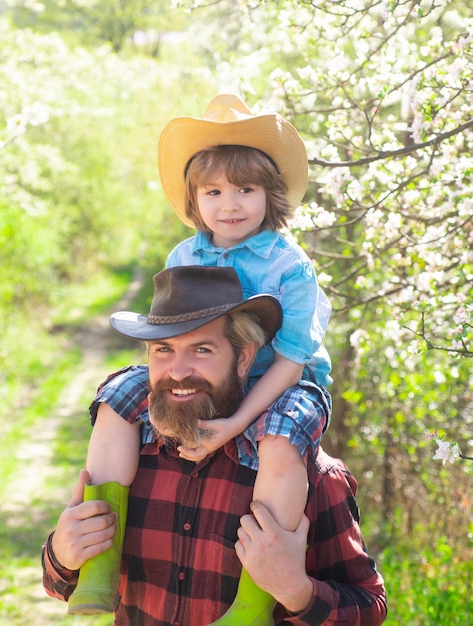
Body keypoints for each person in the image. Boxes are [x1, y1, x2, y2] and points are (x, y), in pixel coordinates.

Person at [69, 93, 333, 615]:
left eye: (245, 189)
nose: (229, 205)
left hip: (280, 380)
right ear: (195, 199)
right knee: (117, 395)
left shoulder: (290, 267)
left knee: (281, 439)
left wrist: (235, 422)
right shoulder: (184, 255)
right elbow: (169, 340)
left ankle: (254, 603)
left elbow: (291, 359)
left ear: (269, 194)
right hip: (209, 372)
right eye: (213, 191)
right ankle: (98, 563)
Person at [42, 265, 387, 625]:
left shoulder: (307, 475)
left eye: (201, 350)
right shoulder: (127, 455)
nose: (177, 371)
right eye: (163, 349)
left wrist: (296, 590)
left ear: (243, 359)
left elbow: (370, 606)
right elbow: (61, 584)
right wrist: (62, 555)